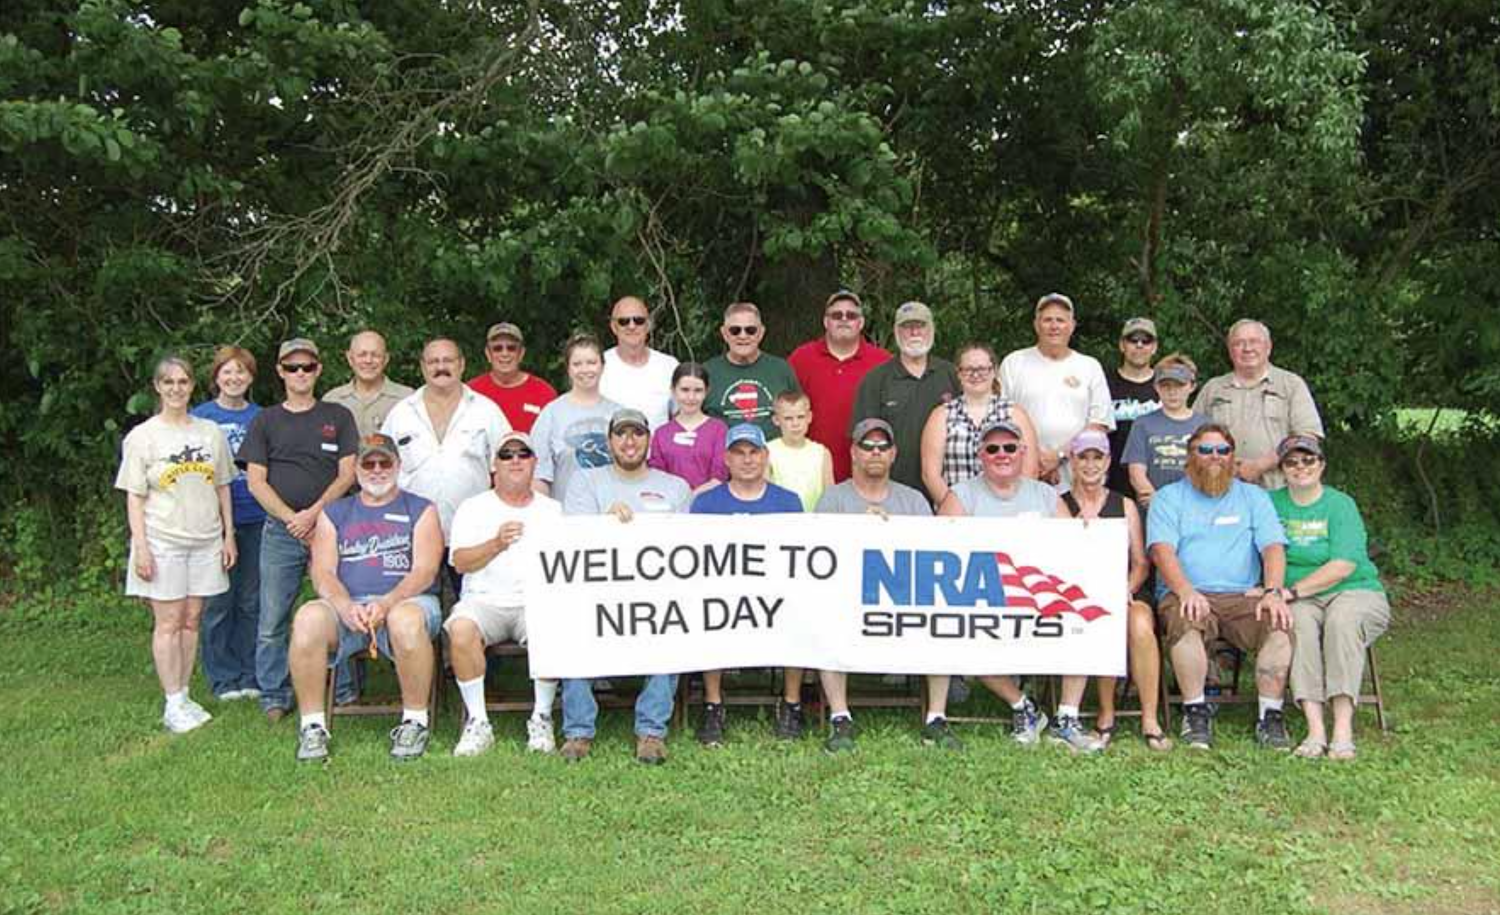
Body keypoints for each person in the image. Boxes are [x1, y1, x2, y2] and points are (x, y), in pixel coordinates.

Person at [938, 420, 1101, 752]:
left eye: (1010, 448)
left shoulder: (1044, 494)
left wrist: (1086, 531)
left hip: (1039, 597)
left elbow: (1072, 550)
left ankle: (1067, 717)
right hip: (983, 597)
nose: (1002, 454)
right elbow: (943, 550)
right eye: (993, 448)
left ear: (1023, 453)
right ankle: (1023, 707)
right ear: (980, 454)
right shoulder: (961, 495)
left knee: (1083, 619)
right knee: (955, 631)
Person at [288, 434, 443, 761]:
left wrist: (387, 604)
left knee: (405, 620)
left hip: (407, 602)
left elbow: (424, 571)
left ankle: (415, 721)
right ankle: (312, 727)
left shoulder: (421, 509)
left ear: (398, 466)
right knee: (307, 618)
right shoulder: (334, 513)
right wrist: (345, 607)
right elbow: (323, 572)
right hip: (348, 605)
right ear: (356, 469)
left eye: (384, 462)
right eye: (368, 463)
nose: (376, 470)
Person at [814, 418, 963, 753]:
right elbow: (821, 559)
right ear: (853, 452)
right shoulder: (833, 500)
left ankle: (935, 718)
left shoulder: (913, 501)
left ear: (894, 454)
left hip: (903, 597)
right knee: (826, 620)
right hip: (849, 597)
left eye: (883, 446)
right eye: (867, 446)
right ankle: (840, 716)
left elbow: (930, 557)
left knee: (941, 619)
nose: (875, 452)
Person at [1147, 423, 1294, 751]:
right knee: (1186, 620)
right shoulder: (1168, 498)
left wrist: (1273, 591)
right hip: (1188, 592)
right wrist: (1184, 590)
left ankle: (1270, 716)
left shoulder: (1254, 497)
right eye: (1206, 450)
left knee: (1279, 623)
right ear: (1190, 457)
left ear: (1233, 457)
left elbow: (1272, 547)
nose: (1215, 457)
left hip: (1243, 595)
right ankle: (1195, 712)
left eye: (1223, 451)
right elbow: (1162, 551)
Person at [559, 408, 691, 764]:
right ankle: (578, 731)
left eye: (637, 434)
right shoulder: (586, 481)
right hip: (599, 592)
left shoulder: (676, 487)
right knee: (572, 628)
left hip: (657, 594)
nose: (629, 441)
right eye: (621, 434)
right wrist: (603, 524)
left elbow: (690, 549)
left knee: (673, 628)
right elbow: (575, 543)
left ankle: (651, 731)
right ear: (610, 441)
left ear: (649, 440)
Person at [116, 355, 236, 733]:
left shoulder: (209, 433)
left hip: (204, 540)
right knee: (168, 621)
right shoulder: (143, 437)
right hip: (163, 540)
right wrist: (142, 546)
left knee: (191, 619)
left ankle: (184, 694)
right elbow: (134, 496)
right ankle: (172, 702)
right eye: (169, 382)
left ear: (192, 387)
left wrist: (228, 535)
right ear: (157, 387)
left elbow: (222, 486)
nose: (176, 389)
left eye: (183, 382)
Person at [241, 338, 359, 721]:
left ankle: (343, 689)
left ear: (319, 369)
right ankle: (274, 694)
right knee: (273, 616)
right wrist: (292, 518)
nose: (300, 374)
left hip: (331, 528)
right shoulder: (265, 420)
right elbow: (256, 481)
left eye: (307, 367)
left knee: (338, 607)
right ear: (280, 371)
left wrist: (314, 514)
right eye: (292, 368)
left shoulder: (338, 416)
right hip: (280, 530)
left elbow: (347, 474)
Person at [1270, 435, 1390, 761]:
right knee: (1299, 624)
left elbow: (1342, 565)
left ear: (1321, 465)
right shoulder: (1271, 502)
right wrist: (1270, 591)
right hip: (1298, 598)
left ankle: (1342, 728)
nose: (1300, 468)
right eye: (1292, 462)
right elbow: (1265, 552)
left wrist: (1291, 591)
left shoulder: (1340, 504)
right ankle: (1314, 728)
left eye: (1308, 460)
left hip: (1353, 589)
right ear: (1282, 469)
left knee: (1342, 622)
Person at [445, 431, 565, 757]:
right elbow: (459, 562)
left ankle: (541, 718)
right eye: (506, 454)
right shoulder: (473, 508)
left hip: (534, 600)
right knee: (460, 629)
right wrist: (496, 544)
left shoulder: (553, 510)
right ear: (493, 466)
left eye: (523, 454)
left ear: (534, 463)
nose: (515, 460)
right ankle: (478, 722)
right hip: (483, 600)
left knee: (553, 627)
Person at [688, 423, 804, 745]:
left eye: (754, 452)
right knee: (708, 610)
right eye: (739, 453)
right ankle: (713, 704)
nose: (747, 460)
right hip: (723, 592)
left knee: (800, 610)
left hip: (775, 591)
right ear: (726, 458)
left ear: (765, 456)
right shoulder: (706, 504)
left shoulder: (788, 502)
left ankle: (791, 703)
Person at [1059, 430, 1170, 751]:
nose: (1091, 465)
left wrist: (1125, 589)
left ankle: (1150, 718)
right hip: (1076, 595)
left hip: (1125, 589)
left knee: (1137, 623)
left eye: (1098, 457)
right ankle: (1106, 713)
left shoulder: (1124, 505)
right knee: (1100, 618)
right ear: (1072, 461)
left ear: (1108, 461)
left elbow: (1140, 562)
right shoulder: (1059, 504)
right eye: (1083, 457)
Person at [191, 346, 265, 702]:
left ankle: (251, 673)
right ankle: (223, 677)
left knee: (251, 598)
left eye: (241, 372)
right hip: (211, 521)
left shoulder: (262, 417)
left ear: (251, 377)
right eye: (227, 372)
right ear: (216, 376)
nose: (234, 378)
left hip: (255, 516)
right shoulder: (199, 419)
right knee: (218, 601)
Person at [380, 338, 511, 537]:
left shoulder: (487, 411)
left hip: (473, 534)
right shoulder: (401, 414)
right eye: (433, 362)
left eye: (448, 360)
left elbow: (508, 470)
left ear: (462, 364)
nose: (441, 367)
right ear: (423, 367)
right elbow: (381, 469)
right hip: (410, 533)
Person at [999, 292, 1113, 491]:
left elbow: (1099, 424)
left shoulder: (1089, 366)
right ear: (1036, 324)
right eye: (1047, 320)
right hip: (1023, 471)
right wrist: (1035, 457)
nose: (1054, 326)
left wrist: (1058, 456)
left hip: (1078, 476)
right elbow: (1000, 418)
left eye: (1060, 320)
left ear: (1072, 326)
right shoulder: (1014, 363)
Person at [1194, 319, 1325, 490]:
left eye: (1254, 341)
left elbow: (1307, 438)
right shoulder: (1213, 389)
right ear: (1229, 351)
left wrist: (1260, 465)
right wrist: (1220, 463)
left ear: (1268, 347)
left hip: (1279, 489)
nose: (1247, 348)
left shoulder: (1291, 385)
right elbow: (1192, 437)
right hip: (1221, 488)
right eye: (1238, 343)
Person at [849, 301, 960, 496]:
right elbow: (860, 448)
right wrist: (865, 496)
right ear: (896, 331)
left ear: (932, 329)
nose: (915, 332)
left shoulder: (952, 375)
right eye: (907, 327)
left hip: (947, 491)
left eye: (921, 326)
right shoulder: (876, 380)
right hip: (892, 495)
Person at [920, 342, 1041, 508]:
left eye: (982, 369)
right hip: (957, 518)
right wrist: (956, 510)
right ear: (959, 374)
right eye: (968, 369)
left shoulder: (1015, 414)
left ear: (994, 371)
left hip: (1007, 515)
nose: (975, 375)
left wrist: (1009, 509)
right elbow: (930, 474)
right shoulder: (941, 415)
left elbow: (1030, 471)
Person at [788, 290, 891, 481]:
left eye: (851, 316)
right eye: (837, 315)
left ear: (860, 323)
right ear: (826, 321)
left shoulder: (883, 362)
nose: (844, 320)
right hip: (810, 472)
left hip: (866, 472)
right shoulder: (801, 359)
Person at [529, 333, 621, 502]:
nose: (585, 370)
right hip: (567, 517)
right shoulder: (552, 413)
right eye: (577, 364)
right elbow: (539, 476)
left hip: (611, 516)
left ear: (602, 365)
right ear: (568, 368)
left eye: (591, 363)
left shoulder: (618, 414)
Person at [1122, 353, 1208, 510]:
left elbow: (1211, 471)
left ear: (1192, 386)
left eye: (1179, 385)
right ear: (1156, 387)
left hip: (1196, 507)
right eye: (1166, 385)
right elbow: (1136, 474)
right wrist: (1158, 502)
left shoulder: (1205, 425)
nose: (1172, 392)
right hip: (1154, 507)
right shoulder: (1142, 424)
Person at [703, 302, 801, 437]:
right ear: (724, 334)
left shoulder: (781, 370)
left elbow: (798, 415)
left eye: (750, 330)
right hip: (722, 456)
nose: (743, 336)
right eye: (735, 330)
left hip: (774, 456)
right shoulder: (707, 372)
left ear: (761, 333)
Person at [600, 295, 679, 432]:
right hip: (607, 453)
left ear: (648, 325)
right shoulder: (598, 366)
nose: (632, 326)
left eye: (639, 321)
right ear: (613, 327)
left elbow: (681, 418)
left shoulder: (669, 366)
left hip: (658, 453)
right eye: (623, 321)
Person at [647, 362, 728, 492]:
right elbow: (657, 476)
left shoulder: (719, 429)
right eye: (684, 390)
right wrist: (678, 500)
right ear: (673, 390)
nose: (691, 397)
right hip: (672, 507)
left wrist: (691, 497)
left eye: (698, 391)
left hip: (709, 505)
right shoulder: (661, 433)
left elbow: (720, 476)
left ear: (707, 391)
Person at [467, 322, 558, 433]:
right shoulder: (471, 392)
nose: (505, 354)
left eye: (511, 348)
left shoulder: (544, 393)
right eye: (497, 348)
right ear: (488, 354)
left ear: (521, 353)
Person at [1106, 317, 1162, 495]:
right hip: (1111, 484)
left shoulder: (1168, 385)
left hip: (1157, 485)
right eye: (1133, 340)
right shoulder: (1103, 383)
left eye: (1146, 341)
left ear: (1154, 347)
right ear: (1122, 345)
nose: (1139, 345)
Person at [322, 331, 413, 437]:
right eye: (362, 355)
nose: (368, 360)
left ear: (386, 359)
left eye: (375, 355)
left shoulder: (407, 399)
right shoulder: (332, 400)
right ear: (350, 358)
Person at [767, 390, 834, 512]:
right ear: (776, 420)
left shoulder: (822, 453)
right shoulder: (767, 452)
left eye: (800, 417)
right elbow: (764, 495)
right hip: (780, 522)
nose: (795, 423)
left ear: (809, 417)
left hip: (814, 523)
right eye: (788, 418)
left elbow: (830, 498)